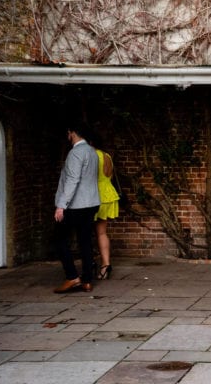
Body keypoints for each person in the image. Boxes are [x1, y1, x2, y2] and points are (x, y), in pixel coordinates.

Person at [53, 123, 101, 294]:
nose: (67, 135)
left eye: (68, 133)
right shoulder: (92, 152)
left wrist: (61, 205)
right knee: (85, 241)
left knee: (59, 239)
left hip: (75, 205)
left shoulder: (75, 153)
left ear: (72, 133)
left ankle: (72, 276)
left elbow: (72, 180)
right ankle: (87, 280)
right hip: (91, 203)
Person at [93, 146, 119, 280]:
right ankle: (105, 265)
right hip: (108, 194)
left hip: (95, 195)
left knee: (85, 232)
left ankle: (90, 264)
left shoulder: (92, 155)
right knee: (102, 233)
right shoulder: (107, 156)